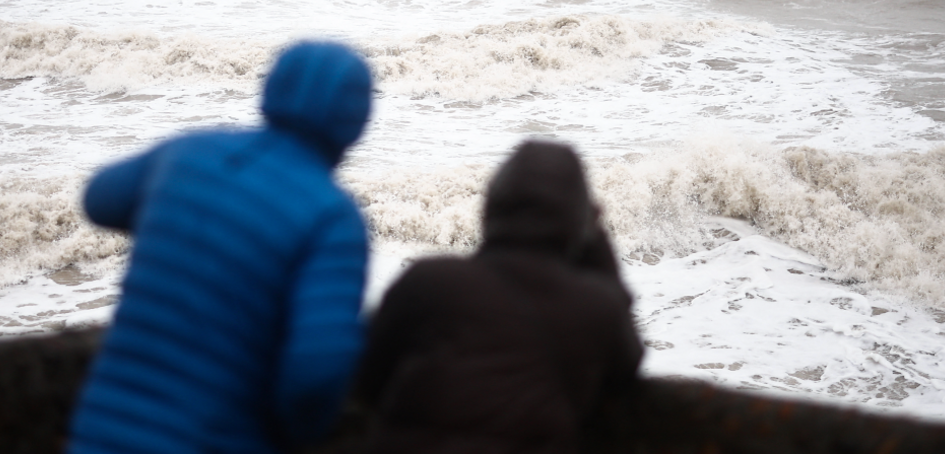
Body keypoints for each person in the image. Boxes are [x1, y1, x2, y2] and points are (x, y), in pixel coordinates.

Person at [68, 41, 374, 454]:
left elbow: (100, 200)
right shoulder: (331, 218)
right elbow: (316, 370)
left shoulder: (190, 155)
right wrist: (299, 436)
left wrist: (179, 215)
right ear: (355, 123)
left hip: (100, 435)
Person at [352, 140, 643, 454]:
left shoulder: (429, 281)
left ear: (491, 205)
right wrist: (594, 235)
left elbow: (368, 383)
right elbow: (627, 367)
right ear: (577, 220)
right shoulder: (595, 308)